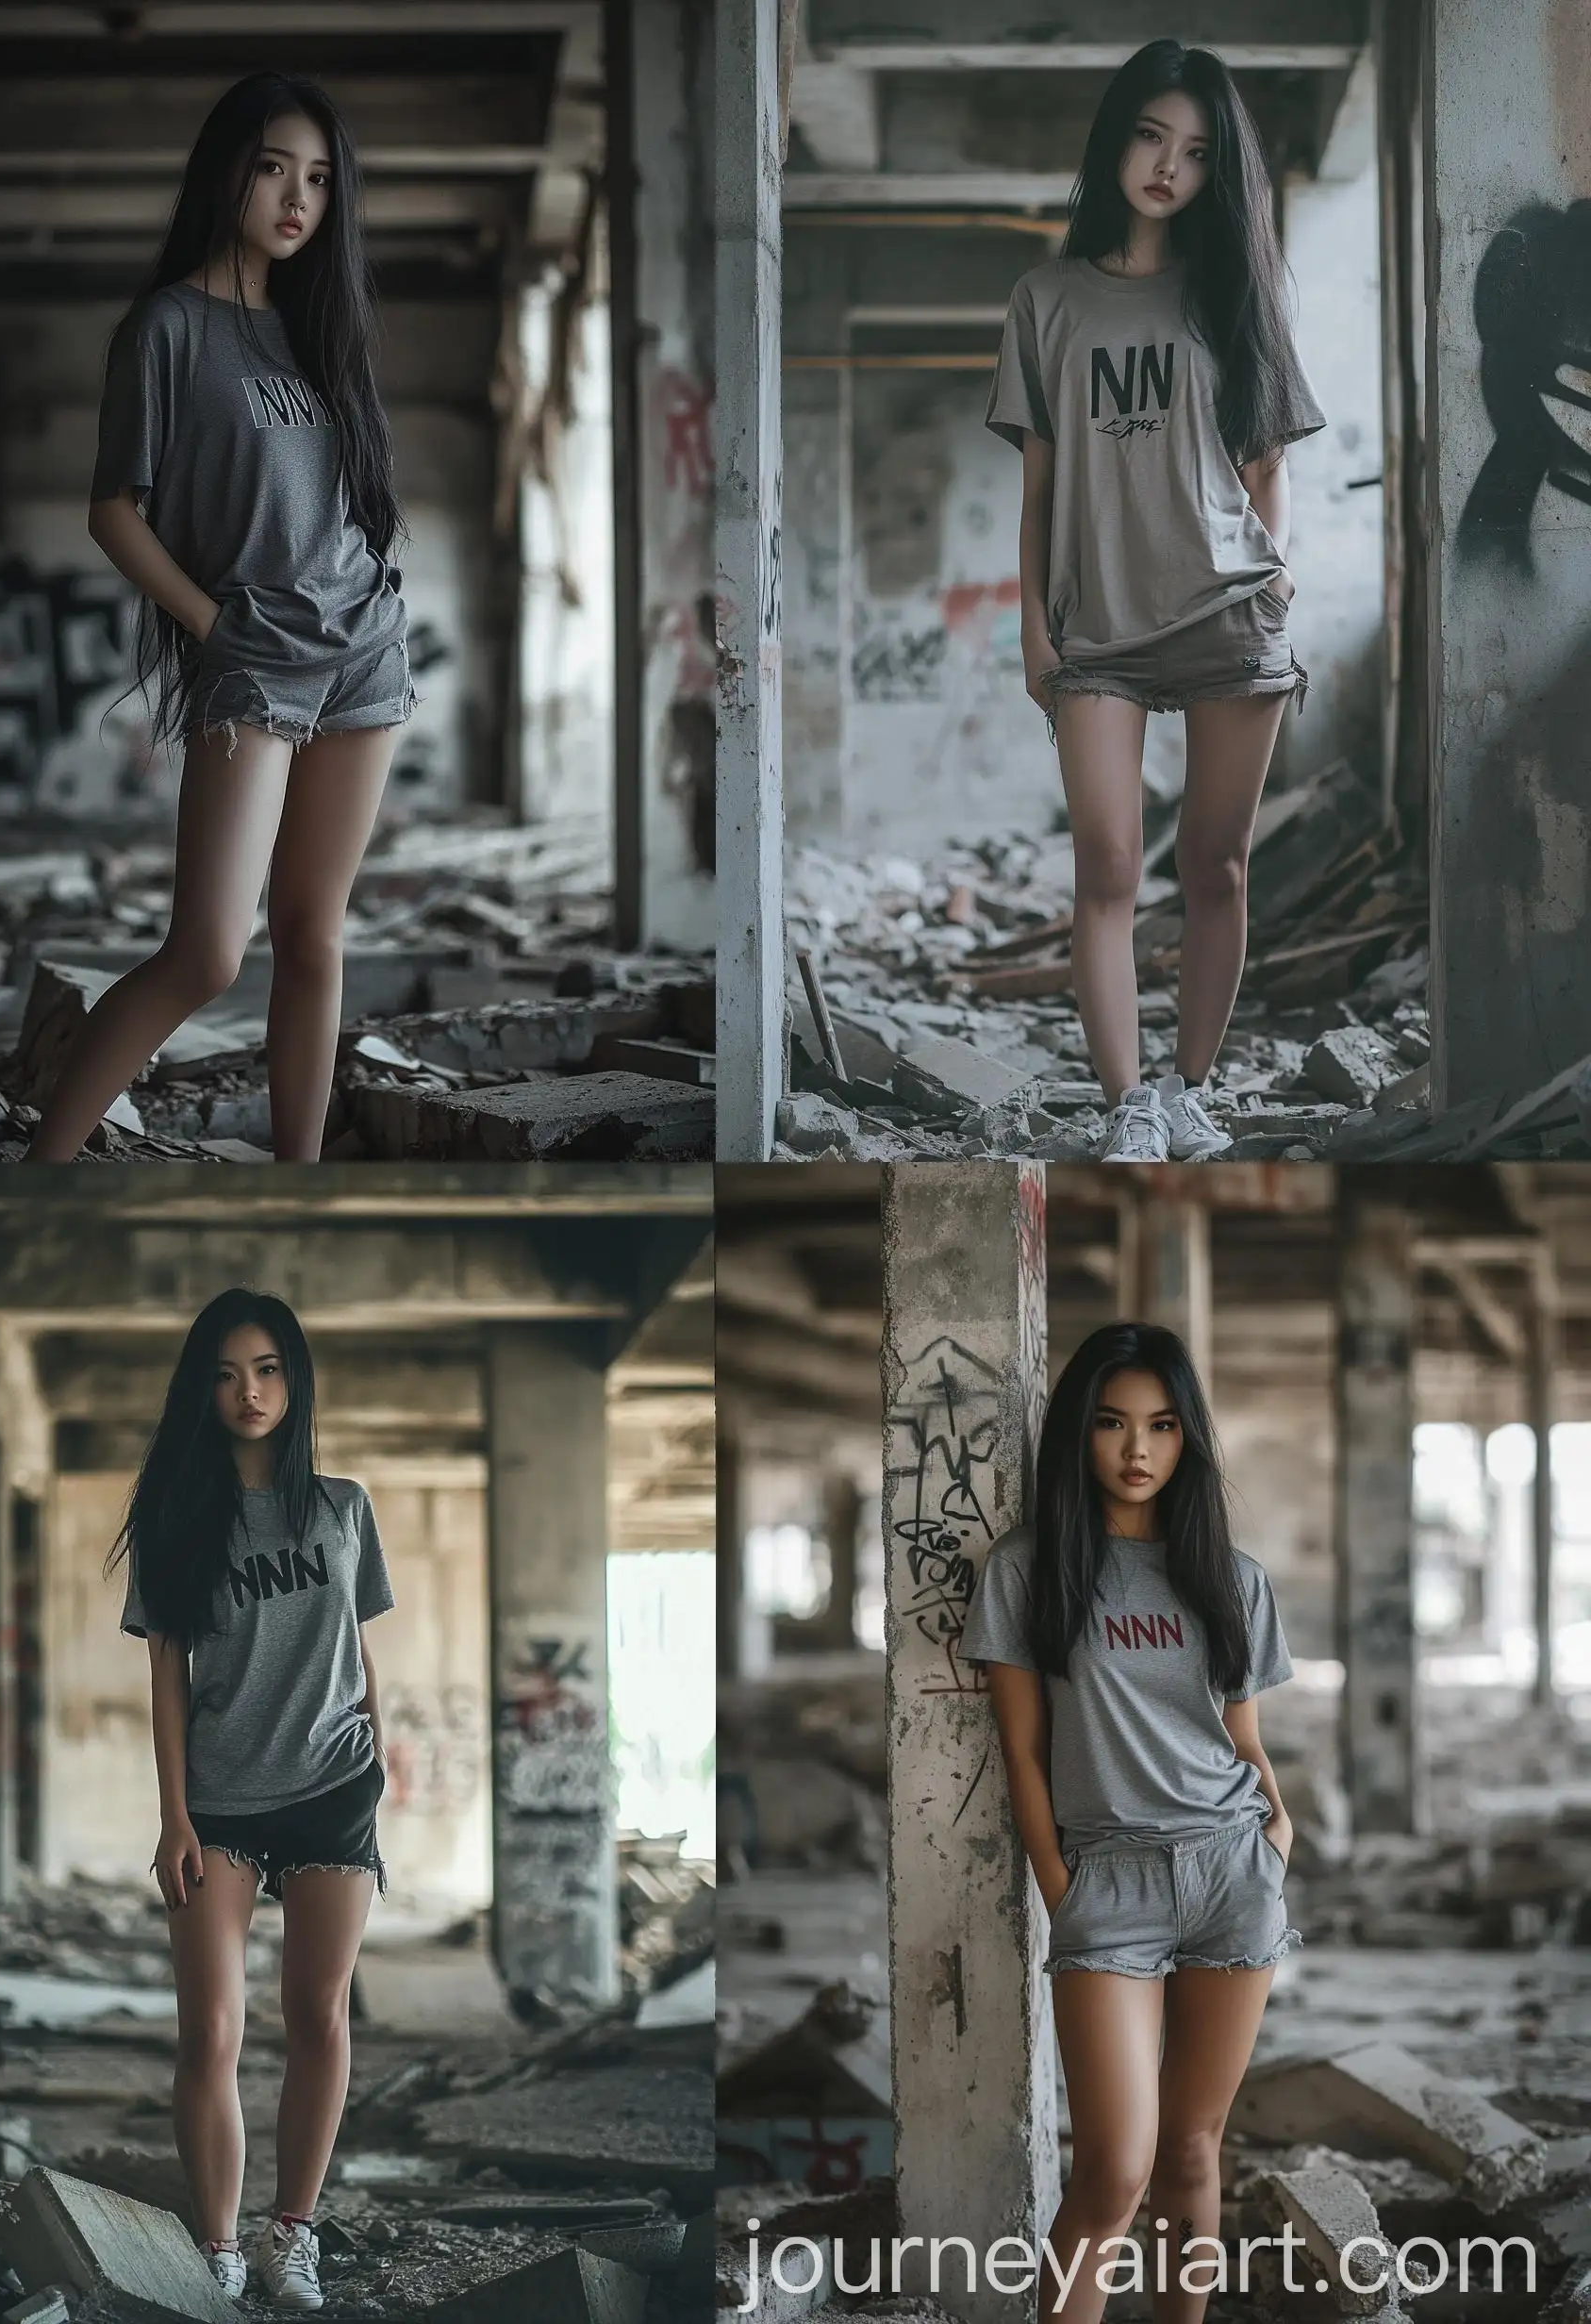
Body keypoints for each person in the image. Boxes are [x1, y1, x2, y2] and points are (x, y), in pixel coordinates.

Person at [28, 73, 414, 1163]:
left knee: (312, 937)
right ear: (226, 173)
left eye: (321, 179)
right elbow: (113, 511)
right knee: (204, 951)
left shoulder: (316, 330)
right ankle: (40, 1168)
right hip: (254, 666)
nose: (298, 198)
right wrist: (212, 627)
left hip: (363, 658)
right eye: (274, 168)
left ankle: (301, 1184)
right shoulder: (166, 330)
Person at [989, 40, 1324, 1163]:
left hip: (1225, 610)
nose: (1166, 169)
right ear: (1114, 139)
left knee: (1214, 865)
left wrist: (1271, 566)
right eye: (1149, 137)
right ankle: (1126, 1102)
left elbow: (1266, 457)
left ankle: (1188, 1089)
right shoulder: (1045, 299)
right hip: (1095, 630)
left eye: (1192, 152)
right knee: (1109, 866)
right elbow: (1038, 488)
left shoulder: (1232, 290)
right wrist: (1034, 629)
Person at [960, 1322, 1298, 2324]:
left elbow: (1242, 1738)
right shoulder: (1028, 1571)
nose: (1135, 1448)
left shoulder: (1229, 1579)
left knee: (1194, 2150)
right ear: (1079, 1434)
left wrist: (1276, 1839)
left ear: (1187, 1436)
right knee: (1112, 2169)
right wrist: (1063, 1887)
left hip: (1231, 1872)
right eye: (1111, 1423)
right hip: (1108, 1881)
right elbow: (1021, 1751)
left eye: (1158, 1424)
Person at [112, 1289, 394, 2309]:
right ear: (202, 1386)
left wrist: (380, 1754)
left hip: (330, 1788)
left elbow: (360, 1650)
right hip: (219, 1802)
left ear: (295, 1379)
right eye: (227, 1372)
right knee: (212, 2031)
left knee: (316, 2013)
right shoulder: (174, 1521)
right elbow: (168, 1683)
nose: (249, 1391)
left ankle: (291, 2233)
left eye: (268, 1368)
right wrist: (174, 1815)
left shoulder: (343, 1507)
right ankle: (221, 2245)